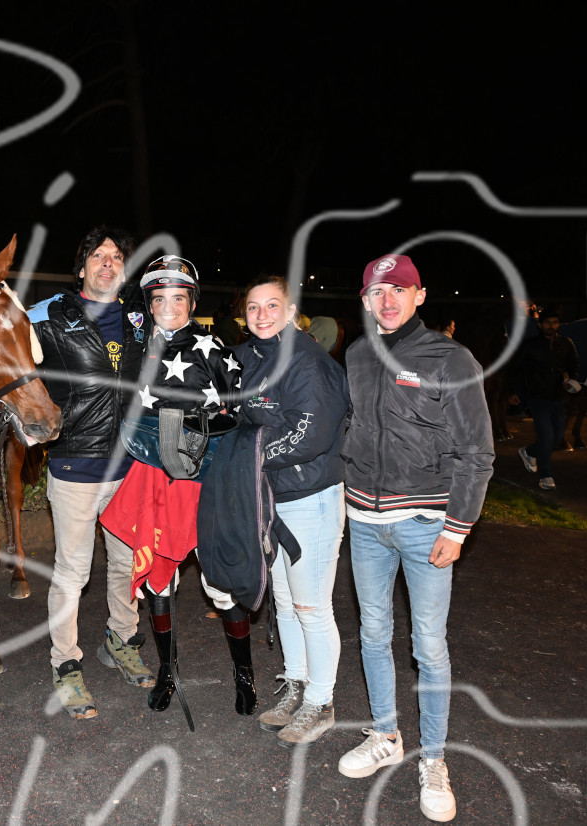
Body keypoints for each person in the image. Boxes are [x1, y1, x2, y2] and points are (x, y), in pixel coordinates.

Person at [337, 254, 494, 823]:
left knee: (428, 646)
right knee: (373, 633)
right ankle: (385, 734)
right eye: (377, 292)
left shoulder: (451, 358)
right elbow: (352, 427)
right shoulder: (357, 354)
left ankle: (433, 759)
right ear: (365, 300)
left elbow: (477, 452)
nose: (387, 301)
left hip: (427, 523)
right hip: (365, 521)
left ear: (419, 295)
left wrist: (459, 526)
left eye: (398, 290)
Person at [98, 255, 242, 719]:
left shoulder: (213, 348)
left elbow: (243, 415)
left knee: (223, 582)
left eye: (179, 299)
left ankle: (245, 675)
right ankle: (167, 670)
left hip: (206, 482)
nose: (168, 308)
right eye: (159, 299)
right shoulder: (135, 346)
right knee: (159, 582)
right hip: (152, 478)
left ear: (192, 302)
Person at [27, 226, 153, 720]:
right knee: (72, 573)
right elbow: (1, 354)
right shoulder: (48, 314)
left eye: (116, 256)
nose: (107, 262)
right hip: (75, 463)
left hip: (129, 466)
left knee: (126, 565)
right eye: (98, 255)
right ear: (81, 268)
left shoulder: (141, 316)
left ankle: (121, 641)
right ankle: (65, 663)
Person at [231, 275, 350, 747]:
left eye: (271, 305)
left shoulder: (308, 361)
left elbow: (310, 434)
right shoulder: (249, 358)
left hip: (310, 499)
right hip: (271, 499)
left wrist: (248, 456)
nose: (261, 315)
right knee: (284, 602)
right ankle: (297, 684)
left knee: (311, 607)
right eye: (253, 307)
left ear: (291, 310)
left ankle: (321, 702)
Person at [510, 305, 579, 490]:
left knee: (558, 437)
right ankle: (546, 476)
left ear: (559, 324)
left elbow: (574, 365)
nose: (551, 326)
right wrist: (514, 392)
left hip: (558, 397)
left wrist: (572, 380)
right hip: (537, 397)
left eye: (554, 323)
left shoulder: (566, 344)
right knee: (547, 436)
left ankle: (529, 451)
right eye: (547, 322)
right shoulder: (530, 345)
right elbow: (516, 369)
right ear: (540, 325)